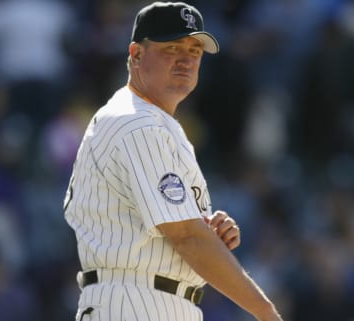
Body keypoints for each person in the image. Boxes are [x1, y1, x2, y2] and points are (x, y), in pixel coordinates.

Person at [63, 2, 284, 321]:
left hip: (151, 300)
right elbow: (186, 237)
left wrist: (209, 233)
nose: (186, 60)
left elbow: (186, 234)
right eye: (172, 48)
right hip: (135, 303)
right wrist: (266, 313)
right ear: (136, 55)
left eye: (194, 50)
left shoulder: (154, 123)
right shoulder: (137, 122)